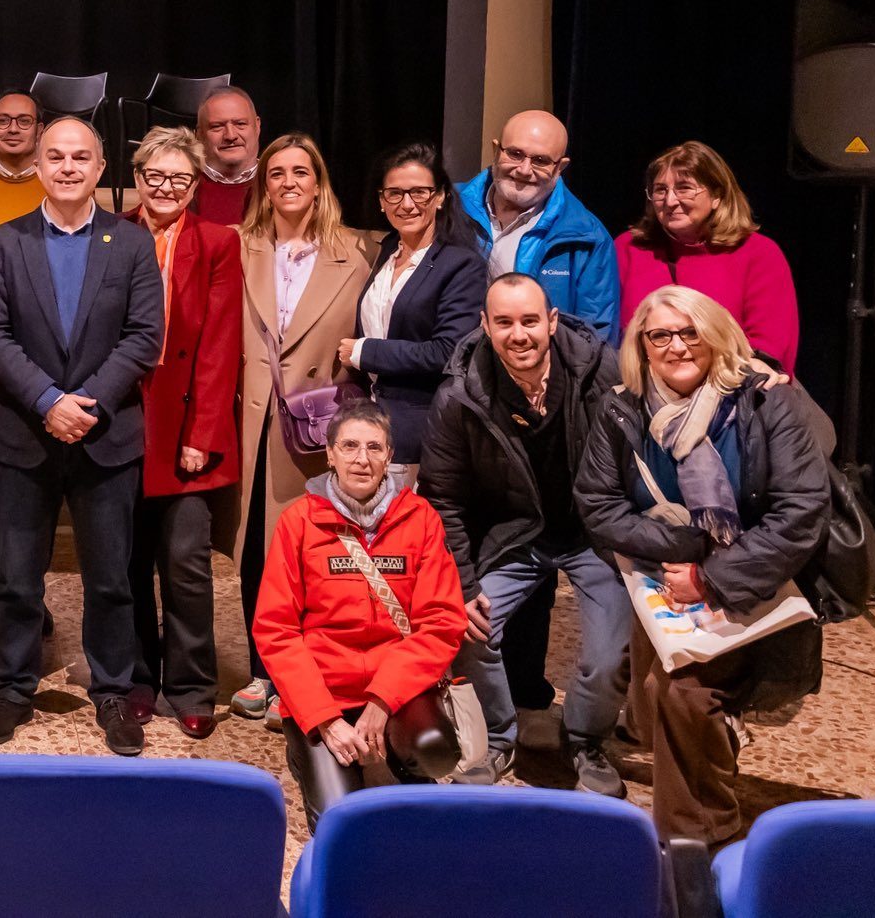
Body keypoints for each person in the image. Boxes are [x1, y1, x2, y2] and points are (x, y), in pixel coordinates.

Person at [576, 285, 830, 845]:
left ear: (716, 335)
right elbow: (598, 506)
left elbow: (802, 510)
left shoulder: (766, 401)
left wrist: (711, 574)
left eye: (690, 331)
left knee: (684, 696)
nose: (677, 345)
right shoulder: (621, 408)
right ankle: (706, 786)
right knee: (654, 699)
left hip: (758, 579)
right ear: (641, 346)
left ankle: (697, 845)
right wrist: (690, 546)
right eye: (660, 335)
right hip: (663, 580)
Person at [0, 118, 163, 755]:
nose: (68, 167)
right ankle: (13, 688)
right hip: (25, 434)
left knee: (111, 579)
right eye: (55, 157)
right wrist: (48, 401)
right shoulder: (4, 243)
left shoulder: (132, 243)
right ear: (39, 167)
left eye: (81, 157)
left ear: (101, 168)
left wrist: (87, 404)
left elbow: (144, 336)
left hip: (106, 438)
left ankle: (112, 690)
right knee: (17, 578)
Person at [419, 274, 630, 795]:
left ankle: (584, 741)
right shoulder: (459, 394)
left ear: (552, 322)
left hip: (592, 534)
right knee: (466, 629)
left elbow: (674, 388)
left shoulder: (602, 369)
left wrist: (756, 372)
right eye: (505, 322)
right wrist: (463, 585)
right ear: (485, 325)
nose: (519, 334)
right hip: (513, 536)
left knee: (610, 656)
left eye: (530, 320)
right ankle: (498, 737)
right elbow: (443, 499)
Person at [253, 401, 463, 831]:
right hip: (322, 693)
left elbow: (442, 622)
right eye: (349, 446)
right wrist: (325, 719)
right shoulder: (298, 522)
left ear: (389, 456)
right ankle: (309, 751)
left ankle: (399, 762)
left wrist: (383, 701)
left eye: (374, 447)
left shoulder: (421, 520)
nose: (361, 459)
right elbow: (276, 630)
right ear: (330, 454)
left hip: (398, 692)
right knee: (337, 819)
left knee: (434, 750)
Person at [231, 133, 373, 723]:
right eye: (277, 173)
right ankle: (263, 671)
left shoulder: (359, 252)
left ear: (319, 183)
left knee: (313, 553)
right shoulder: (239, 246)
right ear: (264, 185)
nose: (288, 182)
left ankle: (308, 675)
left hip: (319, 424)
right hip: (252, 421)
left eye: (300, 172)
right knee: (255, 553)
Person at [122, 126, 242, 740]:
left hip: (189, 429)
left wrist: (202, 433)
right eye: (155, 175)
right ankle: (138, 678)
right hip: (122, 422)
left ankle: (192, 685)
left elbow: (220, 345)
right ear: (137, 178)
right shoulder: (114, 231)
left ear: (195, 186)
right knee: (128, 563)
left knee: (186, 563)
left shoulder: (218, 241)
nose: (166, 187)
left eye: (179, 178)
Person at [336, 143, 486, 472]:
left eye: (419, 192)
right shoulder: (386, 251)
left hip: (423, 433)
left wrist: (365, 351)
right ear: (381, 200)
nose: (407, 204)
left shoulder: (461, 264)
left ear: (440, 196)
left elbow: (447, 352)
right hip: (370, 427)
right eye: (394, 193)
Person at [615, 141, 799, 373]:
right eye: (660, 190)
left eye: (684, 188)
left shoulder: (758, 253)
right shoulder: (628, 248)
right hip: (642, 385)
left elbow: (769, 343)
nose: (670, 201)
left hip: (730, 383)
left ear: (717, 196)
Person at [455, 109, 620, 344]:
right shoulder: (448, 208)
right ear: (496, 150)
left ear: (560, 167)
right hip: (449, 364)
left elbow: (596, 339)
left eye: (540, 161)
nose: (524, 170)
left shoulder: (589, 237)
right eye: (515, 154)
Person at [191, 85, 261, 226]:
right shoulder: (183, 189)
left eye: (240, 124)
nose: (230, 135)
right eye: (217, 126)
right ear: (199, 134)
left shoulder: (279, 185)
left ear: (257, 126)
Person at [0, 89, 46, 226]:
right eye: (3, 121)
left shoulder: (57, 185)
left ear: (39, 131)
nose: (13, 129)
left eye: (24, 121)